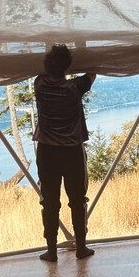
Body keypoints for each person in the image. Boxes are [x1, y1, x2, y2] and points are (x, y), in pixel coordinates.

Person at [33, 44, 96, 262]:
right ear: (67, 66)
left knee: (49, 201)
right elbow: (92, 73)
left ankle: (51, 250)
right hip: (72, 152)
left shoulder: (39, 85)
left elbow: (42, 72)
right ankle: (81, 247)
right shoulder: (74, 88)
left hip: (47, 152)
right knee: (77, 200)